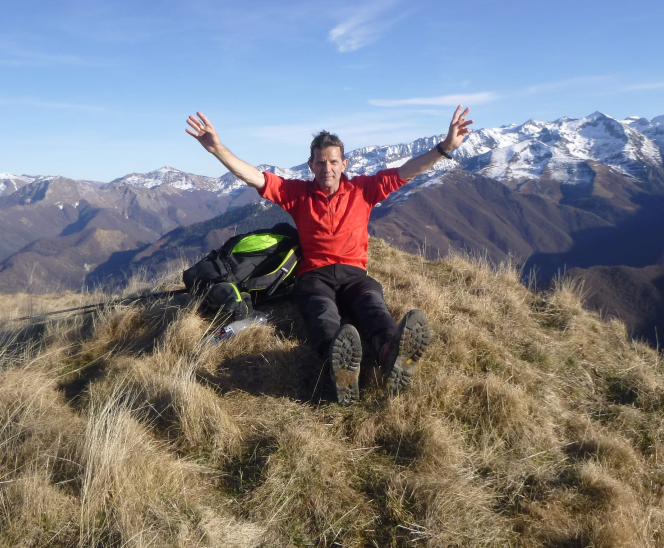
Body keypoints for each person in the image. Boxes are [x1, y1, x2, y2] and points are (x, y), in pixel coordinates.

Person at [185, 106, 474, 404]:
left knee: (373, 306)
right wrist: (217, 149)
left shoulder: (365, 189)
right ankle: (340, 370)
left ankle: (391, 354)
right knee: (323, 317)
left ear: (344, 163)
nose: (327, 168)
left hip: (354, 276)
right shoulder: (296, 193)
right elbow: (254, 177)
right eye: (321, 162)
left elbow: (408, 171)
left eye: (333, 161)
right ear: (311, 165)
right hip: (314, 277)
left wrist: (445, 147)